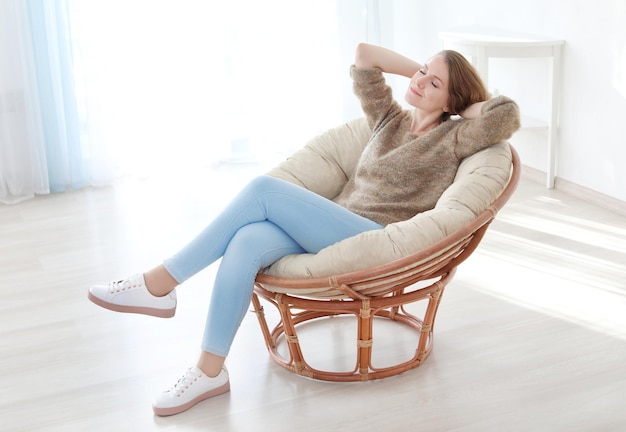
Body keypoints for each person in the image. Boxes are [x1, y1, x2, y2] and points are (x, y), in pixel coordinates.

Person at [88, 42, 520, 416]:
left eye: (433, 84)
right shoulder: (388, 118)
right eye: (422, 72)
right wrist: (423, 74)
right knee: (247, 240)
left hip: (374, 236)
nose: (420, 83)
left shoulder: (455, 137)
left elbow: (506, 114)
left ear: (452, 102)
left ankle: (159, 283)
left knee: (262, 190)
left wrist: (459, 104)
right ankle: (209, 371)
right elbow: (365, 56)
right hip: (335, 223)